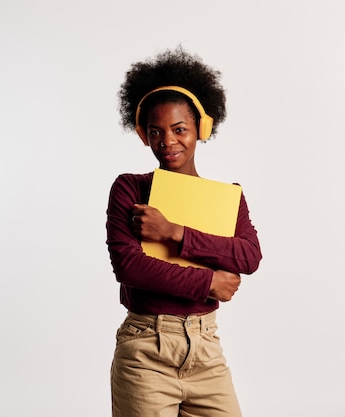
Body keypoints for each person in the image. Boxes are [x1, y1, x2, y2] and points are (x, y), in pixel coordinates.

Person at [106, 46, 262, 417]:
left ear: (201, 129)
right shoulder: (130, 188)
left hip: (206, 348)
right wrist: (209, 283)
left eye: (179, 129)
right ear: (143, 134)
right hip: (146, 349)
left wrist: (174, 232)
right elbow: (131, 267)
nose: (168, 141)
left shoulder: (226, 199)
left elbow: (248, 256)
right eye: (156, 131)